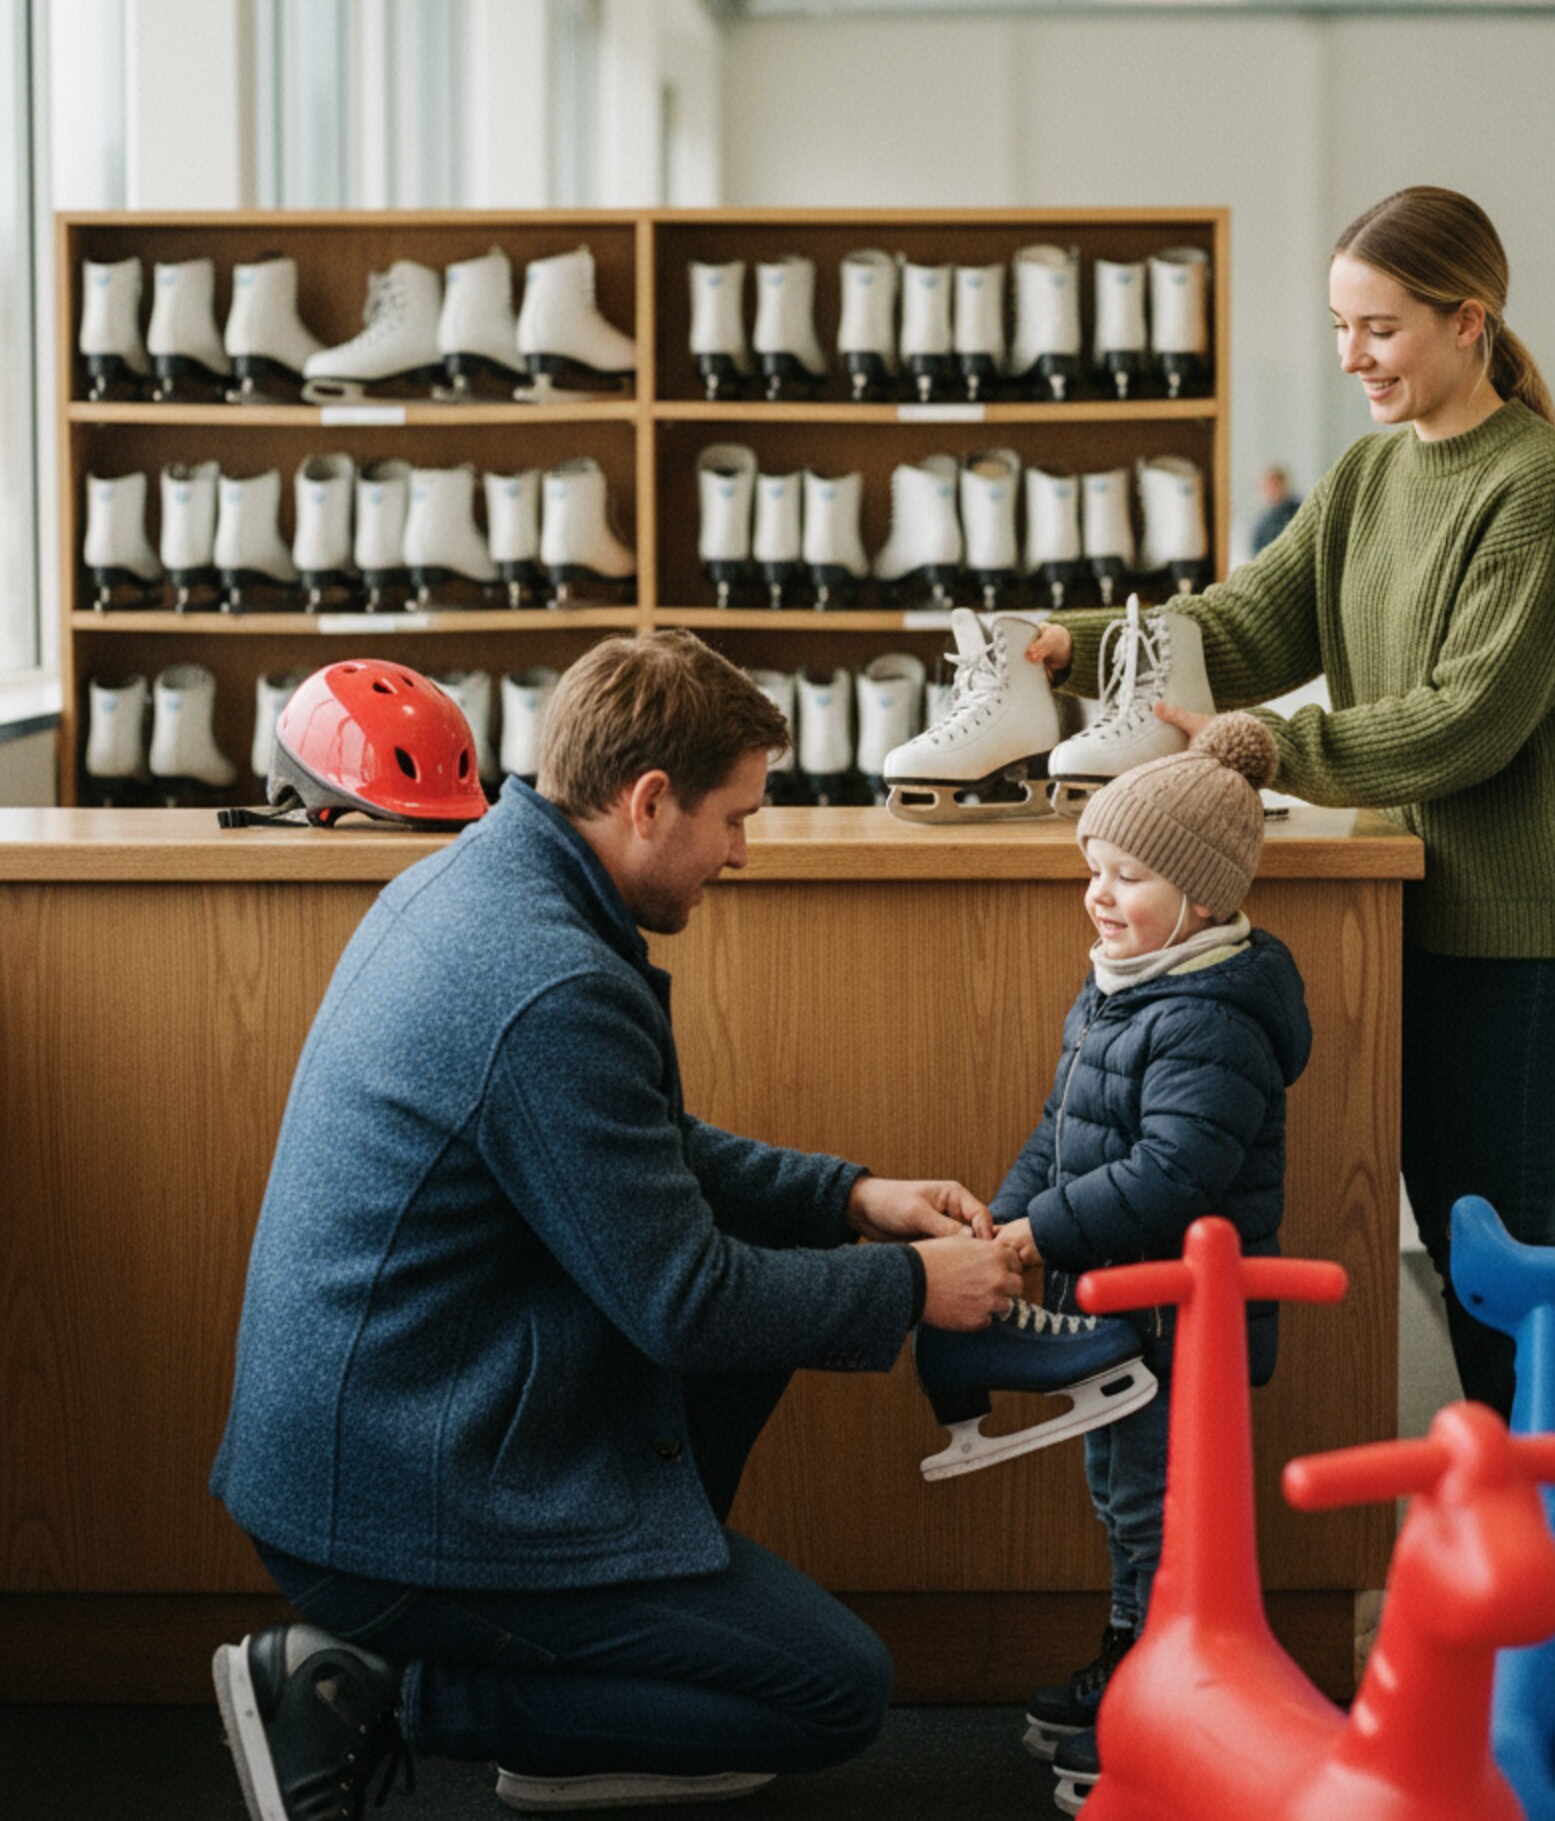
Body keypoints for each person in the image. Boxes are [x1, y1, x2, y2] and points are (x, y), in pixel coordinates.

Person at [208, 633, 1023, 1821]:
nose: (742, 852)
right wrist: (914, 1287)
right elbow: (684, 1300)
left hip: (386, 1421)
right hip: (384, 1495)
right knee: (831, 1692)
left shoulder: (494, 874)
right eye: (734, 816)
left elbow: (631, 1146)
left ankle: (594, 1657)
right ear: (649, 802)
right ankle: (376, 1686)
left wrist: (849, 1196)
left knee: (768, 1314)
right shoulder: (546, 977)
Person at [1027, 186, 1555, 1431]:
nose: (1349, 356)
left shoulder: (1540, 488)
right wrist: (1070, 646)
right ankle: (1514, 1519)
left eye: (1379, 328)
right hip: (1408, 900)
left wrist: (1270, 746)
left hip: (1520, 934)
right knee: (1450, 1236)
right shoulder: (1367, 475)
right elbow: (1251, 621)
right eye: (1338, 325)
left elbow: (1467, 718)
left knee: (1494, 1255)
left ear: (1469, 322)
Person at [987, 714, 1311, 1785]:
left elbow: (1174, 1174)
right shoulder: (1123, 984)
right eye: (1094, 867)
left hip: (1181, 1323)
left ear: (1203, 896)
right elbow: (1058, 1126)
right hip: (1113, 1307)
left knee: (1159, 1498)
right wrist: (1005, 1221)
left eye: (1127, 874)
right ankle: (1137, 1648)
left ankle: (1156, 1665)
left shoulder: (1208, 1014)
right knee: (1120, 1488)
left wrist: (1043, 1231)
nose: (1098, 892)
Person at [1249, 464, 1303, 554]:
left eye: (1275, 485)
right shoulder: (1264, 519)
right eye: (1268, 486)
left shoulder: (1298, 511)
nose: (1271, 490)